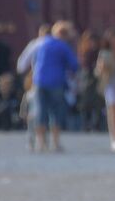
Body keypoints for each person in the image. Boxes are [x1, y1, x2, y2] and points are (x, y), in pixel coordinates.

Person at [30, 21, 79, 153]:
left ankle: (40, 144)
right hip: (56, 82)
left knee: (40, 111)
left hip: (39, 81)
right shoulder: (62, 46)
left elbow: (33, 61)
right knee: (56, 112)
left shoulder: (41, 43)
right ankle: (55, 143)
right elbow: (74, 65)